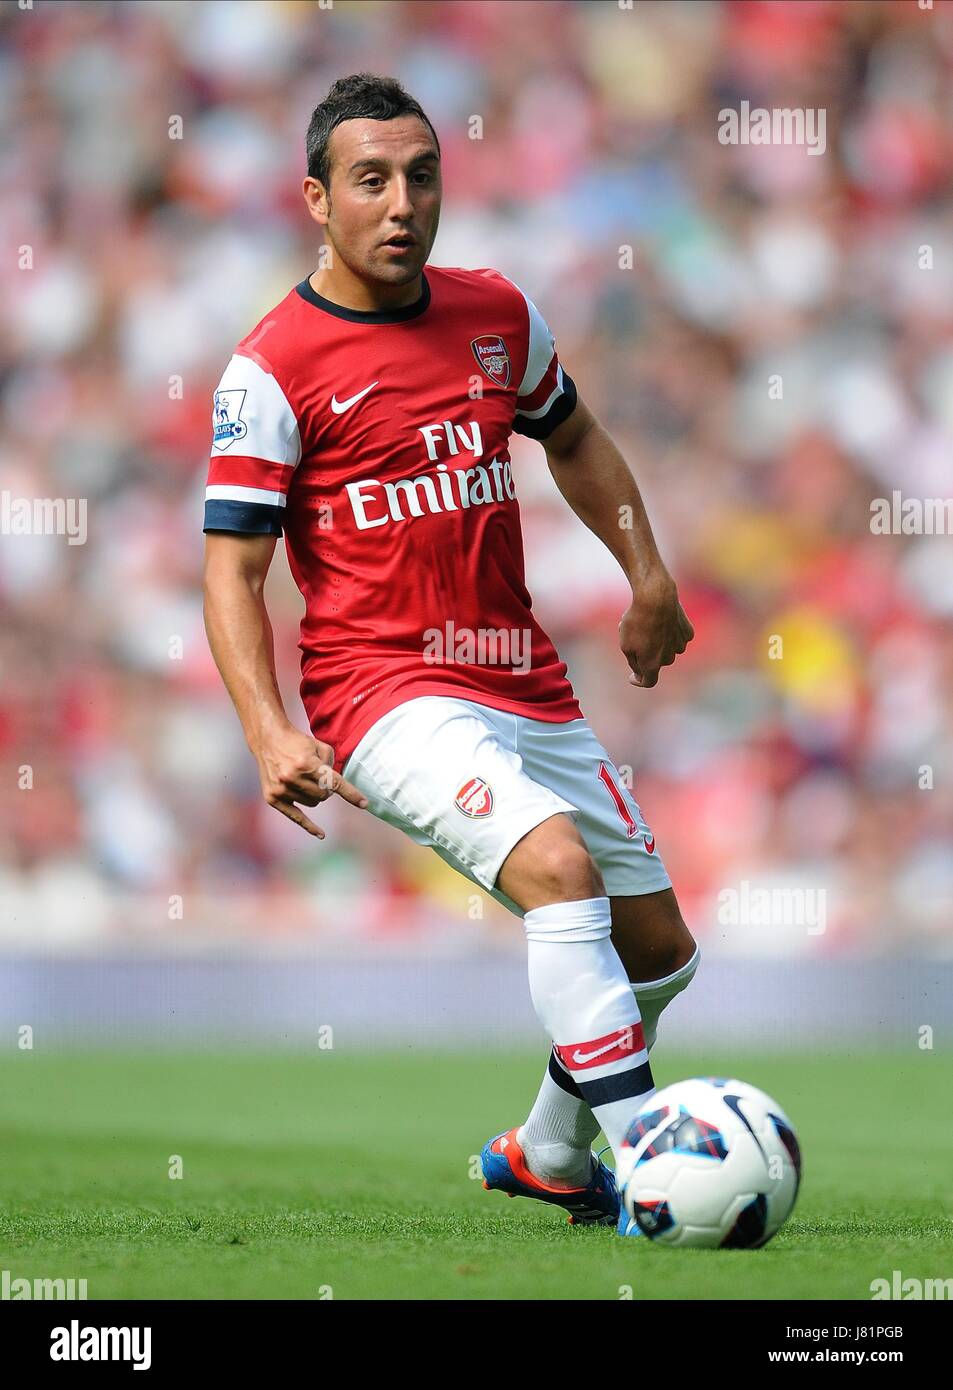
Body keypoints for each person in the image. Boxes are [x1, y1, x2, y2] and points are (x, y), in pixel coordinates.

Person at [202, 73, 700, 1233]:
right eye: (370, 181)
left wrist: (646, 570)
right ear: (316, 199)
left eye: (420, 176)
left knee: (662, 955)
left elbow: (572, 436)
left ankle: (546, 1151)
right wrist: (268, 727)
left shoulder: (495, 315)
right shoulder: (270, 367)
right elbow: (232, 571)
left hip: (519, 674)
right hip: (380, 695)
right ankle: (655, 1163)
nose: (400, 203)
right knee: (558, 872)